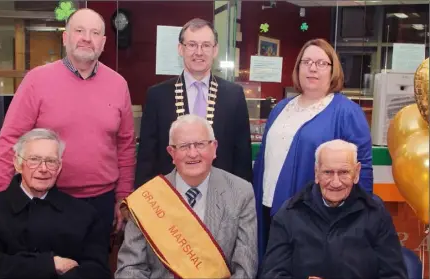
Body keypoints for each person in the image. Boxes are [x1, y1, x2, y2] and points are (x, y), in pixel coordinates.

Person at [0, 8, 136, 245]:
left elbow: (126, 146)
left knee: (94, 269)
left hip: (101, 203)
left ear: (103, 42)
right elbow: (10, 140)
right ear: (65, 37)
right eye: (79, 31)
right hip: (45, 198)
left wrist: (124, 197)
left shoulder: (119, 84)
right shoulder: (37, 80)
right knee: (47, 268)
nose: (87, 38)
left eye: (94, 32)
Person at [252, 38, 373, 261]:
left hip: (316, 218)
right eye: (306, 62)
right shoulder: (280, 109)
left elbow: (361, 171)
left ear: (333, 70)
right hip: (268, 207)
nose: (312, 68)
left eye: (321, 63)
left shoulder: (346, 113)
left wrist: (357, 222)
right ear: (298, 68)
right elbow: (263, 158)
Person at [115, 115, 257, 278]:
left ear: (214, 148)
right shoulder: (147, 198)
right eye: (183, 146)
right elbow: (130, 268)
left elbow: (245, 270)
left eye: (200, 145)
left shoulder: (241, 193)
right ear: (171, 152)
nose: (192, 153)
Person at [0, 129, 111, 279]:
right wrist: (50, 264)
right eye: (34, 159)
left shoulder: (85, 215)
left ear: (59, 167)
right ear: (18, 164)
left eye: (51, 161)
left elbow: (98, 271)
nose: (43, 169)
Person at [259, 139, 407, 279]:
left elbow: (395, 275)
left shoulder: (376, 213)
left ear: (356, 173)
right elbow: (271, 274)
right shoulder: (289, 213)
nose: (336, 183)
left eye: (343, 173)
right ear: (316, 173)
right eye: (328, 172)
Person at [134, 18, 252, 188]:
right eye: (192, 45)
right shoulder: (157, 95)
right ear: (180, 49)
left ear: (215, 50)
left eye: (206, 45)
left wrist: (242, 199)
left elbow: (242, 156)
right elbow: (147, 156)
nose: (199, 52)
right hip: (170, 195)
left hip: (221, 195)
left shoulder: (234, 95)